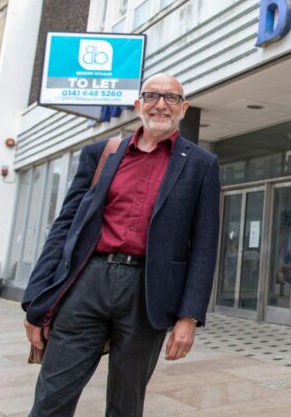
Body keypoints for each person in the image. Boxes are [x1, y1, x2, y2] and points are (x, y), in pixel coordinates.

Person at [21, 73, 221, 416]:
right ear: (138, 105)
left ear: (184, 108)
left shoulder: (202, 164)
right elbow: (64, 228)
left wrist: (189, 316)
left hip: (148, 292)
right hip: (87, 283)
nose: (161, 104)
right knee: (52, 397)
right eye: (152, 96)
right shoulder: (101, 154)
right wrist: (36, 299)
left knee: (126, 403)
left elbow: (204, 245)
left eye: (172, 98)